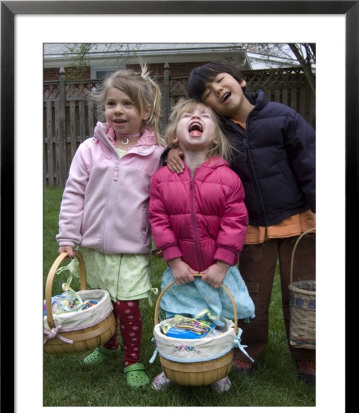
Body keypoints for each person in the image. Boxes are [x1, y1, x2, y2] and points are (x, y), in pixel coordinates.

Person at [166, 62, 316, 386]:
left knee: (305, 294)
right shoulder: (218, 131)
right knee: (251, 296)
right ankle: (245, 351)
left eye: (220, 80)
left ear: (240, 80)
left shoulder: (282, 117)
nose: (216, 90)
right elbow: (191, 143)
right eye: (206, 93)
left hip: (298, 223)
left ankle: (310, 357)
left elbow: (310, 162)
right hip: (251, 229)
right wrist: (170, 152)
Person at [56, 67, 164, 388]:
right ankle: (108, 345)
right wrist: (68, 235)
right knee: (101, 304)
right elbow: (74, 192)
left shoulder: (155, 154)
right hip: (93, 246)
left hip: (131, 249)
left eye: (128, 104)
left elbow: (160, 202)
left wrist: (161, 238)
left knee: (128, 306)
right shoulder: (90, 149)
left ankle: (132, 360)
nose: (118, 110)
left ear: (145, 111)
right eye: (112, 103)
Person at [149, 98, 255, 393]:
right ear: (174, 137)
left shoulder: (228, 179)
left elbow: (235, 223)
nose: (196, 117)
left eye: (204, 116)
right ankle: (173, 365)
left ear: (215, 138)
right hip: (181, 270)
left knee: (219, 321)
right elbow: (158, 220)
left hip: (216, 272)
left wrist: (222, 264)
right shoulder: (161, 179)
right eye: (188, 116)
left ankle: (217, 366)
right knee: (177, 319)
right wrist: (173, 261)